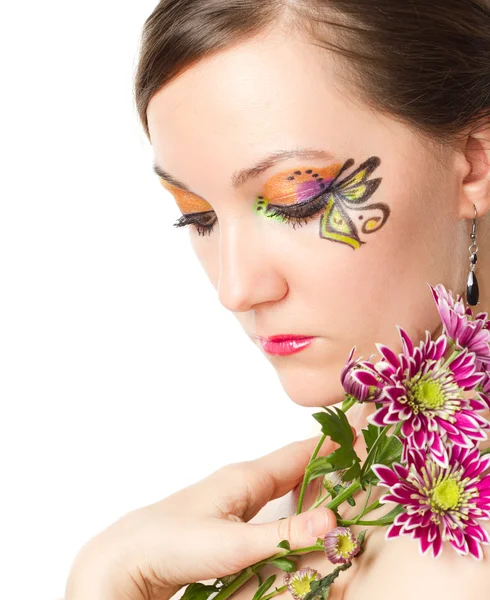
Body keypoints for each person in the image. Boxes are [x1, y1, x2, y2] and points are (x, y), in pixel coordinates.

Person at [64, 0, 490, 598]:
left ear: (474, 162)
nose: (235, 289)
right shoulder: (289, 514)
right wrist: (110, 577)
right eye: (199, 217)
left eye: (299, 200)